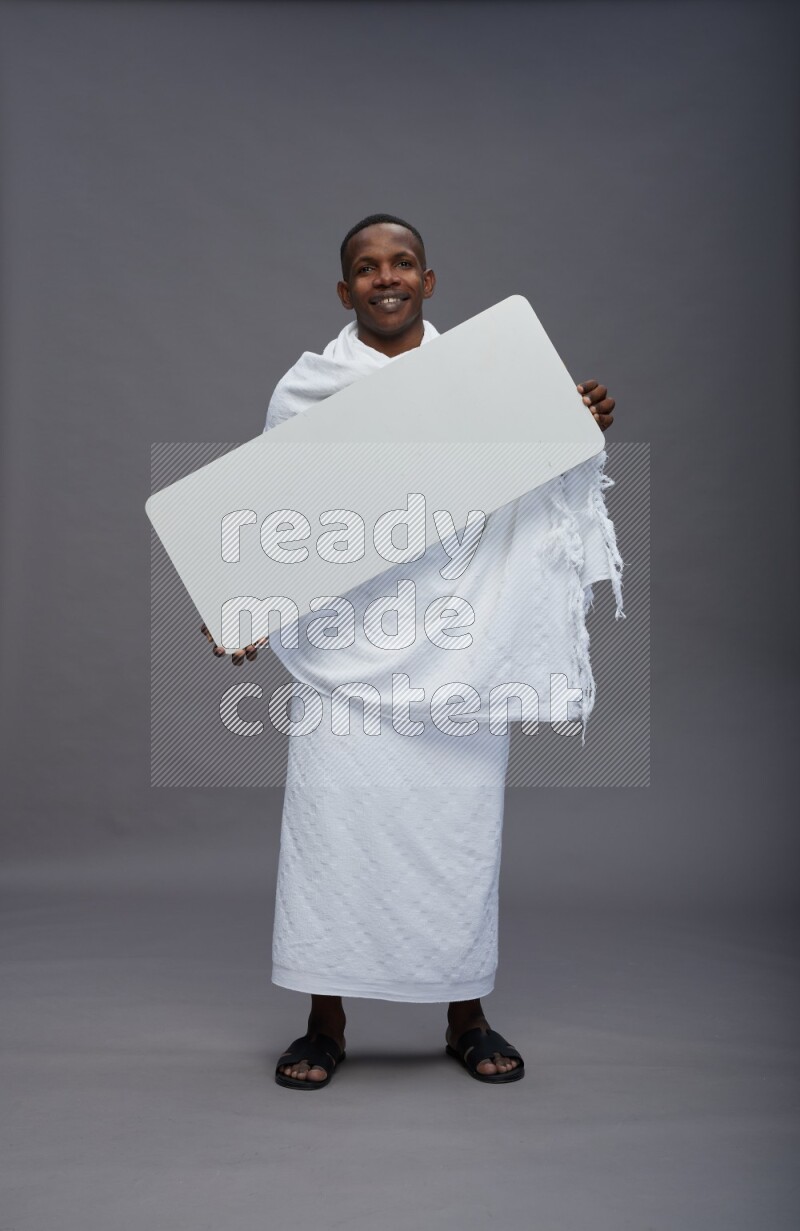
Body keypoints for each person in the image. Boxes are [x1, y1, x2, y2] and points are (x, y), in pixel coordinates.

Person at [202, 214, 620, 1089]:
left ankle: (464, 1013)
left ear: (429, 281)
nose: (383, 277)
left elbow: (528, 489)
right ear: (344, 289)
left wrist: (572, 427)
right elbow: (289, 513)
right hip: (346, 650)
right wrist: (237, 598)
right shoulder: (307, 389)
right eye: (365, 267)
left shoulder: (490, 376)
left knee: (457, 833)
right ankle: (324, 1024)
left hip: (463, 645)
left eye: (401, 263)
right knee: (333, 835)